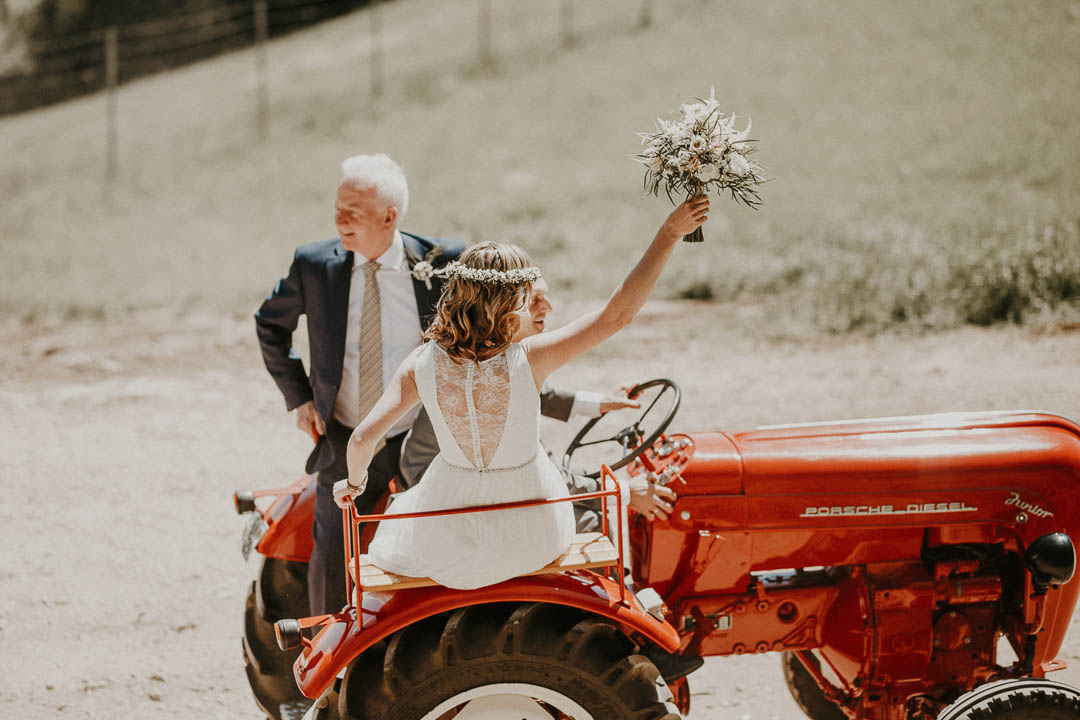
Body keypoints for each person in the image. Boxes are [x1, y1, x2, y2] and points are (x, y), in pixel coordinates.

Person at [333, 195, 709, 590]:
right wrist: (668, 235)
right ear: (508, 302)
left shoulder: (420, 363)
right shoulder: (529, 358)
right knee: (593, 520)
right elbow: (617, 315)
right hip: (532, 535)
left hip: (445, 538)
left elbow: (362, 438)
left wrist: (353, 485)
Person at [255, 153, 463, 615]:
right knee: (333, 547)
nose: (338, 219)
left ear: (389, 217)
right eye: (336, 207)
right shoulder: (314, 265)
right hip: (347, 432)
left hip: (424, 433)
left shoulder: (443, 262)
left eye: (353, 210)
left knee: (443, 537)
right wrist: (300, 397)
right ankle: (327, 658)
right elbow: (270, 324)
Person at [397, 275, 679, 530]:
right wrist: (622, 492)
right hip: (442, 487)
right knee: (593, 521)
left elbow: (538, 393)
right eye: (535, 301)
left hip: (467, 476)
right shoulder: (487, 372)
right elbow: (539, 473)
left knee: (582, 483)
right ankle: (616, 584)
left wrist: (601, 402)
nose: (549, 307)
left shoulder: (493, 353)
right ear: (505, 311)